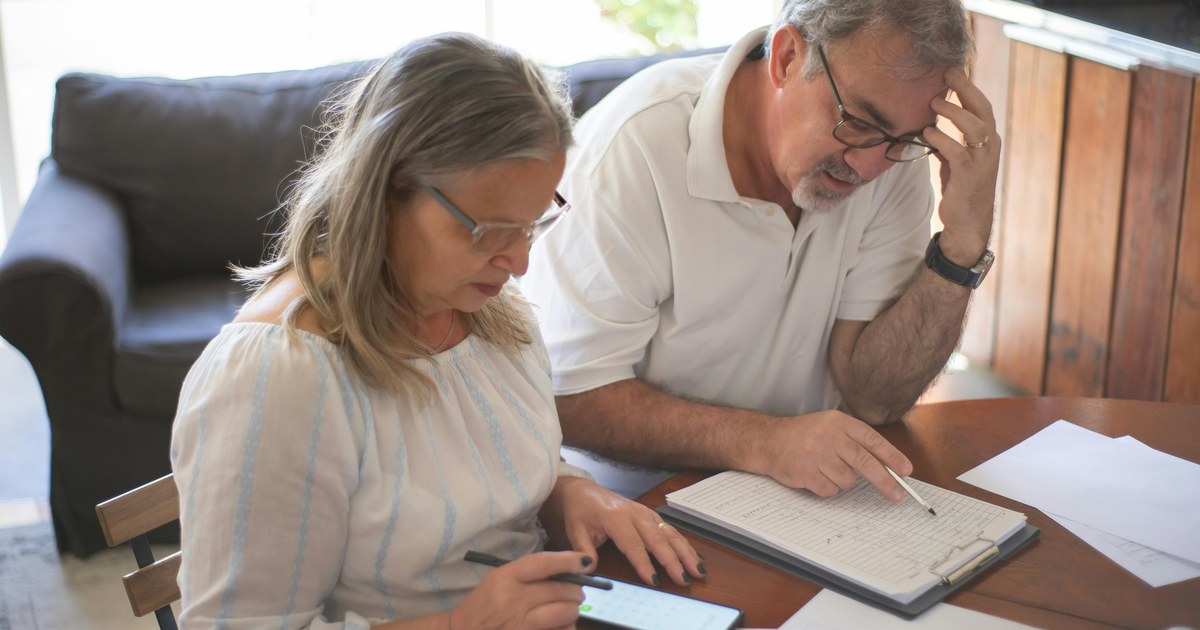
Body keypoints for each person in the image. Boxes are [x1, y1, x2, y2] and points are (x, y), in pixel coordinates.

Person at [170, 32, 704, 630]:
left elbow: (486, 475)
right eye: (489, 230)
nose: (520, 262)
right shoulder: (278, 376)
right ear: (385, 189)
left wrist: (566, 493)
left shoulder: (491, 312)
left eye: (533, 224)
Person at [521, 0, 999, 500]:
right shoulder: (633, 152)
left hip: (808, 495)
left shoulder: (889, 159)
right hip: (637, 504)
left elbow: (875, 398)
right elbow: (570, 397)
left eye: (903, 140)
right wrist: (764, 443)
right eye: (858, 122)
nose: (871, 167)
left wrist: (961, 248)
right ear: (788, 58)